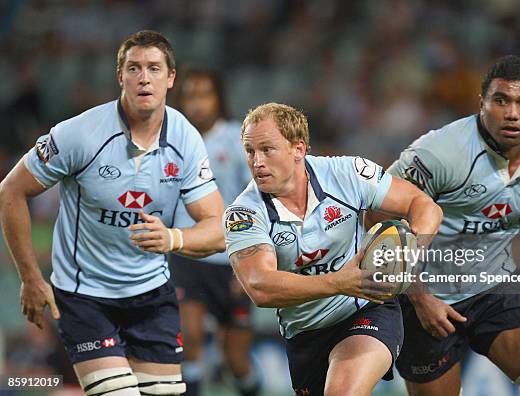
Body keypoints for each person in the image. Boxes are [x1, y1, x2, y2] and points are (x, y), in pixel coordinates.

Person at [0, 30, 226, 396]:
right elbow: (11, 190)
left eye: (154, 68)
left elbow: (217, 227)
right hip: (84, 296)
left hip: (152, 295)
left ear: (171, 79)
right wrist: (30, 277)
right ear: (120, 76)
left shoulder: (184, 137)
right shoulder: (80, 134)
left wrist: (173, 238)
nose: (144, 78)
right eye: (134, 68)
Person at [367, 55, 520, 396]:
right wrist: (419, 298)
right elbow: (376, 217)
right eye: (501, 101)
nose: (512, 113)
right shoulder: (439, 154)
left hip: (495, 289)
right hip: (426, 296)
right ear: (482, 103)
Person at [224, 102, 443, 396]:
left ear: (298, 149)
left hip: (366, 309)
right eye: (250, 151)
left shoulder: (347, 173)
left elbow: (422, 205)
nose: (256, 161)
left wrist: (414, 247)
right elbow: (260, 287)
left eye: (267, 149)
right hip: (305, 334)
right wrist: (339, 282)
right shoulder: (244, 213)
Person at [169, 69, 261, 396]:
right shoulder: (171, 141)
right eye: (190, 95)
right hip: (185, 252)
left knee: (236, 358)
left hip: (229, 259)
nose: (197, 104)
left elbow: (256, 199)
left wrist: (249, 258)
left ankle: (252, 387)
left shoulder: (238, 140)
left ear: (219, 98)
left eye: (205, 95)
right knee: (188, 336)